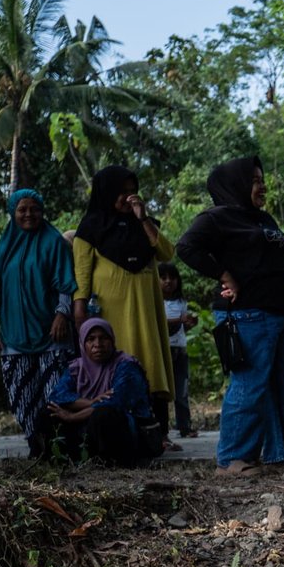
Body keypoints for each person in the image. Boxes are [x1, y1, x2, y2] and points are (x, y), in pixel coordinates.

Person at [176, 157, 284, 476]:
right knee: (249, 385)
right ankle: (231, 459)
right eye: (255, 180)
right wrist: (224, 274)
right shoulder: (218, 217)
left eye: (262, 179)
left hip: (279, 313)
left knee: (282, 385)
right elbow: (187, 247)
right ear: (238, 184)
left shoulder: (263, 217)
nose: (263, 186)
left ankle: (273, 454)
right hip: (247, 316)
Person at [72, 165, 176, 430]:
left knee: (150, 361)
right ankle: (121, 428)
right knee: (118, 361)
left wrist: (143, 218)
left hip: (146, 308)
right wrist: (80, 308)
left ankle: (158, 431)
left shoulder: (144, 225)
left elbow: (166, 253)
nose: (128, 198)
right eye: (121, 192)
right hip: (110, 311)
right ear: (106, 193)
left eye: (133, 192)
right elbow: (82, 273)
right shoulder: (90, 228)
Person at [0, 189, 78, 458]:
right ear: (13, 213)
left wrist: (62, 314)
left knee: (56, 392)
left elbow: (65, 282)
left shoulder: (54, 241)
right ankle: (34, 445)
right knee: (22, 392)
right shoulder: (4, 247)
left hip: (51, 332)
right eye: (22, 210)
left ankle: (60, 446)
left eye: (34, 209)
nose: (28, 214)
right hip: (14, 334)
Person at [46, 318, 163, 467]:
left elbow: (115, 402)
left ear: (112, 340)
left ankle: (110, 461)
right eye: (91, 339)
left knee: (104, 414)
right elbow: (57, 397)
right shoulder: (77, 367)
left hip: (130, 433)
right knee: (50, 412)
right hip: (87, 427)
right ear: (83, 343)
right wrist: (91, 401)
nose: (98, 344)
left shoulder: (126, 365)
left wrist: (72, 417)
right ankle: (59, 459)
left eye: (103, 338)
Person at [160, 263, 198, 439]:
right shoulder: (155, 302)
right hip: (162, 350)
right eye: (164, 278)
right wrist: (179, 319)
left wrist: (188, 324)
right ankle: (161, 429)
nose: (168, 282)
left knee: (181, 391)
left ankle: (185, 426)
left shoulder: (182, 302)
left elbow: (181, 329)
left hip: (179, 348)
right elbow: (159, 323)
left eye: (172, 278)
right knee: (161, 391)